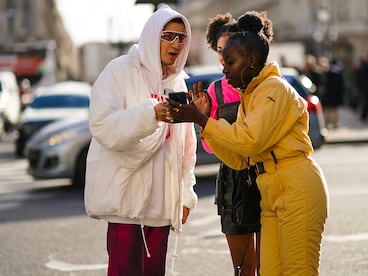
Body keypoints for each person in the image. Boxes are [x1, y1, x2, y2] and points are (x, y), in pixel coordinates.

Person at [165, 12, 329, 276]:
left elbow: (250, 140)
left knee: (299, 271)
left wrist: (204, 121)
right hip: (270, 190)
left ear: (251, 61)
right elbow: (239, 158)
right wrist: (205, 122)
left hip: (297, 187)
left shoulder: (275, 89)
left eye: (230, 61)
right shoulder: (250, 94)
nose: (224, 69)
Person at [84, 6, 198, 276]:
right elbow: (101, 126)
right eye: (168, 35)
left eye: (181, 38)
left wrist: (185, 196)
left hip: (161, 207)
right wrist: (150, 114)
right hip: (127, 204)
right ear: (151, 35)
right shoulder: (120, 71)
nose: (176, 43)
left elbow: (186, 149)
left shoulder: (180, 83)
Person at [202, 12, 263, 276]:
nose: (223, 56)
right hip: (233, 183)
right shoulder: (214, 91)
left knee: (272, 264)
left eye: (229, 48)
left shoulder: (265, 85)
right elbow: (207, 148)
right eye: (219, 50)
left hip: (267, 177)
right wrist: (202, 120)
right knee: (244, 268)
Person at [321, 59, 345, 129]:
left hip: (328, 94)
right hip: (336, 94)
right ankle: (335, 124)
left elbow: (324, 84)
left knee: (327, 110)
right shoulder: (339, 73)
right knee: (335, 110)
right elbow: (342, 85)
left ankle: (326, 125)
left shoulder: (326, 73)